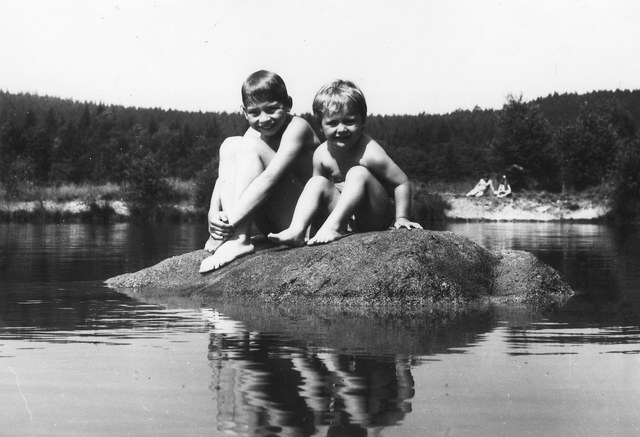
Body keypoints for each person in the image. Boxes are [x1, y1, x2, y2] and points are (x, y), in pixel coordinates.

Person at [268, 79, 422, 247]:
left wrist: (402, 217)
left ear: (362, 121)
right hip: (347, 217)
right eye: (332, 123)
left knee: (357, 172)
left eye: (349, 121)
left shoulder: (370, 152)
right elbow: (319, 194)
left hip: (374, 215)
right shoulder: (321, 154)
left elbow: (401, 182)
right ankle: (297, 230)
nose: (341, 129)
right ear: (321, 126)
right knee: (316, 182)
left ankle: (333, 227)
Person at [199, 70, 320, 272]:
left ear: (288, 104)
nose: (264, 119)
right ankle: (237, 237)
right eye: (255, 113)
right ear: (244, 112)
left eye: (271, 109)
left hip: (306, 223)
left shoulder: (298, 127)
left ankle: (237, 238)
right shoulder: (252, 135)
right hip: (276, 224)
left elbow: (271, 177)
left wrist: (230, 225)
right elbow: (224, 180)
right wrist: (214, 217)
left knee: (249, 146)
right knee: (230, 144)